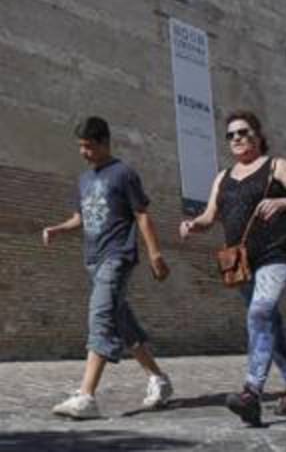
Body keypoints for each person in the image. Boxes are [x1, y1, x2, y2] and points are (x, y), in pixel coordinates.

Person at [179, 110, 286, 427]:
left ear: (258, 135)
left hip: (276, 252)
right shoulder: (223, 177)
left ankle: (251, 393)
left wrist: (285, 203)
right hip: (242, 261)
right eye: (231, 135)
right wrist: (193, 225)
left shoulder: (276, 166)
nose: (237, 139)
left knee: (259, 312)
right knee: (269, 322)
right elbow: (209, 216)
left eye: (243, 132)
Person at [42, 116, 173, 419]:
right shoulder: (84, 180)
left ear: (104, 143)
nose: (83, 152)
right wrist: (58, 229)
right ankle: (158, 379)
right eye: (80, 147)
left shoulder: (123, 174)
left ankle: (87, 397)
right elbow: (81, 218)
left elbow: (142, 215)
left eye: (88, 146)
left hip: (118, 256)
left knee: (100, 315)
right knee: (122, 322)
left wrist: (155, 254)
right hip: (93, 259)